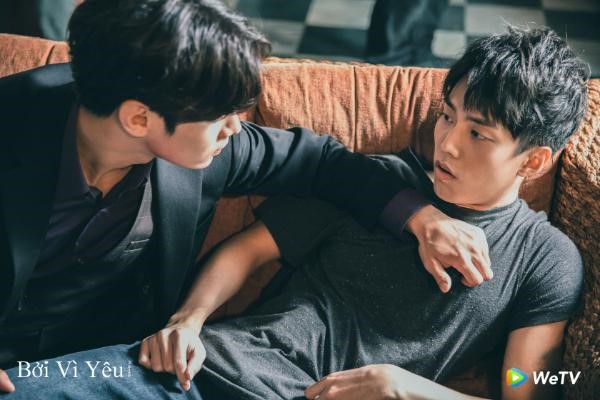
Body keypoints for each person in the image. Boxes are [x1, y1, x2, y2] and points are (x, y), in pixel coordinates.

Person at [3, 25, 589, 400]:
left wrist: (407, 389)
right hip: (196, 372)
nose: (448, 144)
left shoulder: (547, 257)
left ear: (534, 160)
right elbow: (246, 251)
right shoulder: (381, 183)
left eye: (478, 133)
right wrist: (189, 320)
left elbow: (527, 386)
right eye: (446, 116)